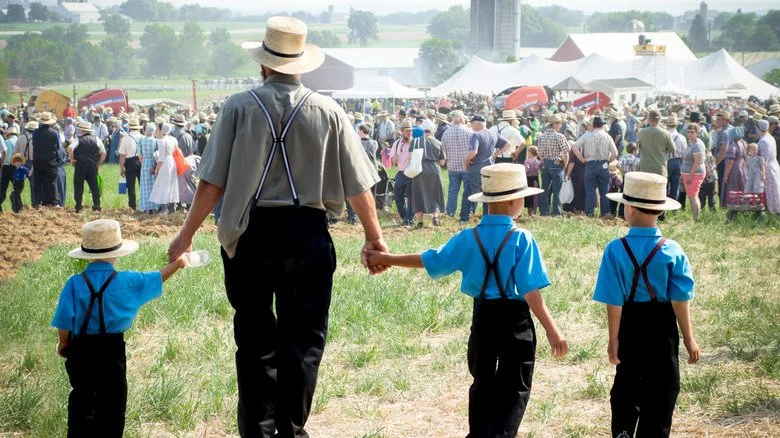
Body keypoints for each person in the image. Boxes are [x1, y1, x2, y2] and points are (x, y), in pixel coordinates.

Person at [166, 16, 384, 437]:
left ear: (263, 65)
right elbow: (360, 186)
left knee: (254, 340)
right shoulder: (329, 110)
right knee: (304, 340)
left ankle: (259, 430)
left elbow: (213, 182)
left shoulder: (238, 106)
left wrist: (185, 234)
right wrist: (374, 239)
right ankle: (292, 428)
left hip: (251, 232)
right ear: (301, 65)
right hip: (308, 232)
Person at [366, 163, 568, 437]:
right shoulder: (522, 238)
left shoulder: (467, 237)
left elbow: (430, 260)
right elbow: (532, 292)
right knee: (514, 388)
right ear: (513, 201)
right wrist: (552, 329)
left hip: (482, 318)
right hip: (515, 321)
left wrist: (386, 259)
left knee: (482, 381)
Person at [51, 219, 187, 436]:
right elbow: (157, 278)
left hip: (81, 350)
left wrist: (64, 344)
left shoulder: (74, 284)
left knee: (81, 402)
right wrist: (178, 264)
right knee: (113, 404)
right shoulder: (128, 281)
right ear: (116, 253)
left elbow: (64, 322)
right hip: (112, 350)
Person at [595, 172, 700, 438]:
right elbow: (680, 299)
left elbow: (614, 300)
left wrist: (613, 338)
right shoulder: (672, 249)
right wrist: (688, 337)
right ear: (660, 211)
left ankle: (623, 432)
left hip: (630, 323)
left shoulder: (614, 249)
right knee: (664, 387)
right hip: (662, 326)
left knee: (626, 384)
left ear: (628, 209)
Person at [572, 116, 618, 217]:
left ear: (594, 125)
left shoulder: (586, 135)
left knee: (590, 191)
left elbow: (574, 147)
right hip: (603, 164)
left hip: (589, 164)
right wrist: (608, 161)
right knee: (604, 191)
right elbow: (615, 153)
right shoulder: (607, 136)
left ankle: (589, 213)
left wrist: (582, 159)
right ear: (602, 125)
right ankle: (605, 213)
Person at [466, 114, 507, 217]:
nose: (472, 127)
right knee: (487, 192)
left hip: (476, 167)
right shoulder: (493, 133)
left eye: (473, 124)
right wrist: (494, 155)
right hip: (489, 166)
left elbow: (473, 152)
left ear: (478, 124)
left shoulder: (476, 135)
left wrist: (466, 160)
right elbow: (507, 144)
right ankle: (486, 214)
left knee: (472, 193)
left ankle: (469, 214)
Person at [410, 119, 446, 227]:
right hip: (434, 169)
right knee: (435, 193)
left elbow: (411, 156)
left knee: (418, 194)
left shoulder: (415, 141)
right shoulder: (439, 143)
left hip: (419, 168)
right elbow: (442, 162)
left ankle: (420, 221)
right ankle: (435, 216)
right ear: (433, 130)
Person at [441, 110, 472, 222]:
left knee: (453, 191)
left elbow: (443, 150)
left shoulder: (446, 133)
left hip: (453, 165)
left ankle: (450, 212)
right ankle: (469, 212)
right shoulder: (469, 131)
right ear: (462, 118)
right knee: (467, 191)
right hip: (466, 166)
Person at [69, 120, 107, 213]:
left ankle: (78, 206)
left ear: (81, 130)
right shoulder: (97, 139)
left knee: (78, 186)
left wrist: (72, 159)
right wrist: (97, 164)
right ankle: (97, 206)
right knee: (94, 186)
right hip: (92, 165)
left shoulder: (78, 139)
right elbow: (104, 153)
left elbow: (70, 148)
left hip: (80, 165)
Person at [537, 114, 570, 216]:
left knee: (544, 190)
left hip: (546, 163)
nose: (560, 125)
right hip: (557, 164)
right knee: (557, 190)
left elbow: (540, 153)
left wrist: (545, 160)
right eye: (559, 123)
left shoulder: (542, 136)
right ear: (555, 124)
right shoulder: (559, 136)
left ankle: (544, 212)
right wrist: (564, 166)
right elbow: (566, 153)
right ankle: (556, 212)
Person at [31, 112, 62, 207]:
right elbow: (57, 146)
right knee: (52, 181)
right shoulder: (55, 133)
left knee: (38, 182)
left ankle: (37, 202)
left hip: (38, 159)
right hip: (50, 159)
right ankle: (55, 203)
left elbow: (34, 144)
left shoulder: (35, 133)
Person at [149, 123, 179, 213]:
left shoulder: (162, 141)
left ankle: (164, 209)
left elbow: (161, 158)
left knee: (163, 184)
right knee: (172, 184)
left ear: (162, 130)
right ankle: (172, 208)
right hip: (172, 161)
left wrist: (157, 169)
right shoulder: (173, 139)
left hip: (165, 162)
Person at [390, 119, 416, 225]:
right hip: (401, 173)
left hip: (412, 173)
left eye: (411, 131)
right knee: (398, 197)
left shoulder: (415, 142)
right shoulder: (396, 144)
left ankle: (408, 219)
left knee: (411, 198)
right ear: (401, 131)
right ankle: (405, 217)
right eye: (407, 131)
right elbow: (392, 157)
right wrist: (393, 160)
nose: (409, 133)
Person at [637, 110, 676, 178]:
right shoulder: (666, 133)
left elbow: (638, 147)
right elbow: (672, 149)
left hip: (645, 168)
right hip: (660, 168)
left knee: (645, 188)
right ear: (659, 120)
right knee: (659, 188)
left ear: (649, 119)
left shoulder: (641, 132)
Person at [681, 123, 706, 221]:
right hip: (689, 173)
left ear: (697, 133)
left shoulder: (697, 145)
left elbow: (697, 162)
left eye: (692, 132)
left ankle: (696, 219)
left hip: (694, 174)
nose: (690, 134)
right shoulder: (692, 143)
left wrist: (690, 176)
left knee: (693, 197)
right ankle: (695, 218)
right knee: (692, 196)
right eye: (688, 132)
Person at [755, 119, 780, 215]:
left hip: (768, 167)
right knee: (775, 188)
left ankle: (772, 211)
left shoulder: (764, 141)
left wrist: (762, 171)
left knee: (770, 189)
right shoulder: (770, 137)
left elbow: (764, 159)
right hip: (774, 164)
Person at [119, 118, 143, 212]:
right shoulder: (143, 137)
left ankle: (132, 206)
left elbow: (122, 155)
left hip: (130, 162)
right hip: (141, 161)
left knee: (131, 185)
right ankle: (143, 205)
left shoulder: (125, 138)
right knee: (143, 185)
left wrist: (121, 168)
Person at [665, 116, 686, 203]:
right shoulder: (681, 137)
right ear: (676, 126)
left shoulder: (665, 135)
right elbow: (684, 152)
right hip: (678, 161)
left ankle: (663, 206)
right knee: (675, 185)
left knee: (665, 185)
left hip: (667, 160)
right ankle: (674, 207)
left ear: (668, 125)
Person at [138, 123, 158, 214]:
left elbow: (140, 153)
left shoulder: (142, 140)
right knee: (153, 185)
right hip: (153, 162)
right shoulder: (156, 141)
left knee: (145, 186)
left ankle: (146, 208)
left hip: (145, 162)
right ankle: (154, 207)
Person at [0, 126, 18, 211]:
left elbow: (3, 153)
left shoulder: (6, 141)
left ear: (9, 134)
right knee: (16, 189)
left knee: (3, 189)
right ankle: (17, 208)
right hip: (16, 167)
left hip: (6, 167)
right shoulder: (19, 141)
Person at [523, 145, 542, 215]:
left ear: (530, 152)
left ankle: (529, 213)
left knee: (529, 196)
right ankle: (535, 213)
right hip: (536, 179)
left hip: (529, 180)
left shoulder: (527, 161)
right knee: (535, 196)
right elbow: (539, 169)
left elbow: (527, 169)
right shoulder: (538, 162)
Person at [698, 148, 718, 212]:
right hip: (702, 184)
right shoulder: (699, 169)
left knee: (711, 201)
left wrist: (715, 188)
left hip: (710, 184)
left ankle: (713, 213)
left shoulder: (712, 169)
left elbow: (715, 178)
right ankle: (701, 212)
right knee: (702, 200)